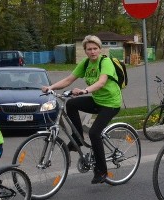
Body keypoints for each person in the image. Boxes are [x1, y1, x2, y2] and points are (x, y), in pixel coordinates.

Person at [43, 35, 122, 184]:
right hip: (97, 100)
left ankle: (102, 171)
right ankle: (78, 138)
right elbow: (68, 79)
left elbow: (101, 82)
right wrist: (51, 87)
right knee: (71, 104)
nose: (92, 52)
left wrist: (85, 90)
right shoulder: (86, 63)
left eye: (95, 49)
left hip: (111, 103)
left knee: (94, 133)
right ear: (85, 51)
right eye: (89, 49)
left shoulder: (105, 62)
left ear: (100, 49)